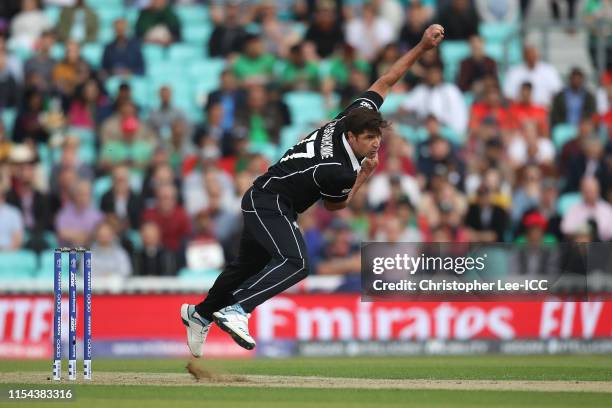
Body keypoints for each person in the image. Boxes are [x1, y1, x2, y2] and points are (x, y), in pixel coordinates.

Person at [180, 24, 445, 356]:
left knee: (245, 266)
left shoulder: (350, 116)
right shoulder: (340, 170)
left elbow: (387, 80)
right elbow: (336, 206)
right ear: (352, 137)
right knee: (296, 263)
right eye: (369, 138)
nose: (376, 143)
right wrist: (363, 177)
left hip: (268, 198)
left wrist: (421, 47)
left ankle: (199, 314)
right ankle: (238, 309)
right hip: (268, 201)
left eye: (378, 135)